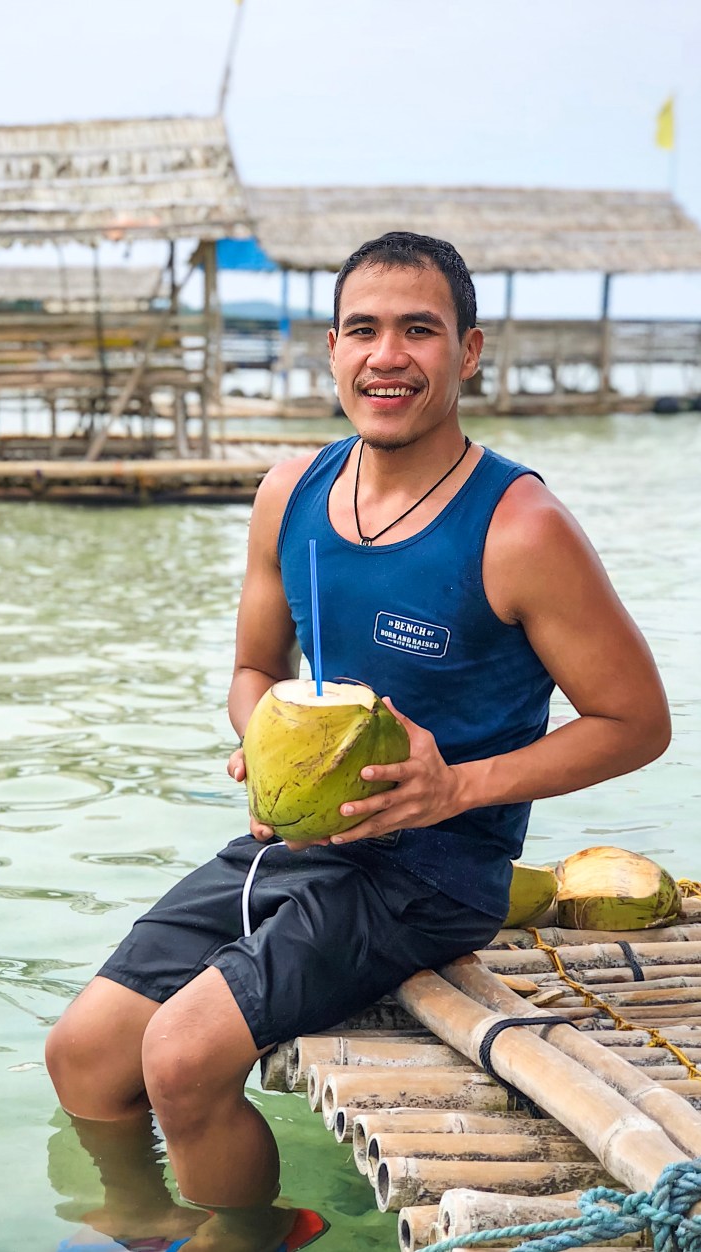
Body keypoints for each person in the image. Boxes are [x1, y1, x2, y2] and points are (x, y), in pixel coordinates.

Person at [46, 231, 671, 1249]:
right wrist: (265, 746)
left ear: (468, 353)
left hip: (429, 874)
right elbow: (252, 675)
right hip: (292, 845)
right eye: (363, 330)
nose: (388, 355)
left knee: (179, 1058)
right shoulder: (289, 494)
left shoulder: (518, 526)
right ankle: (150, 1220)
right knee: (81, 1054)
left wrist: (451, 789)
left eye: (418, 330)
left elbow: (636, 723)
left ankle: (249, 1233)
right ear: (329, 349)